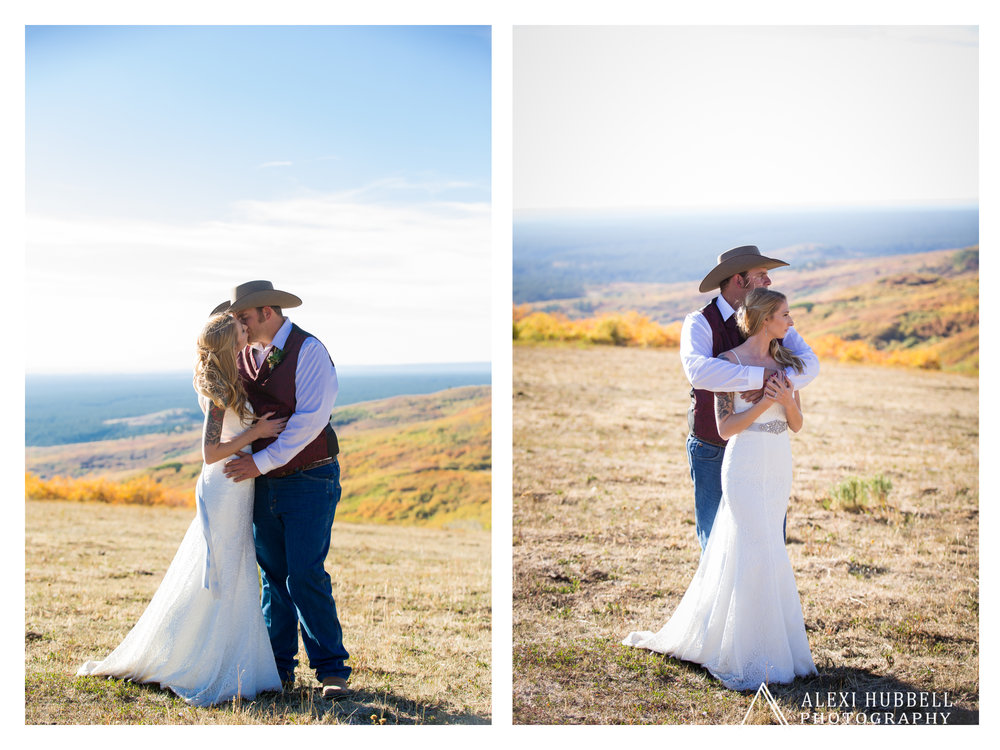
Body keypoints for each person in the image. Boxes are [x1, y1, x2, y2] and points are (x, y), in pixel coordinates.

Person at [77, 314, 286, 705]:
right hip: (224, 485)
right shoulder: (220, 389)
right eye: (240, 328)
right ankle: (204, 662)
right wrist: (256, 433)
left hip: (239, 485)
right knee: (223, 569)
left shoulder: (233, 378)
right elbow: (209, 453)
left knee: (237, 567)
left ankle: (237, 661)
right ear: (229, 339)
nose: (246, 328)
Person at [623, 288, 818, 690]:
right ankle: (741, 650)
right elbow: (727, 429)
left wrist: (787, 400)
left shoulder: (788, 363)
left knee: (772, 547)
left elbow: (797, 424)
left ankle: (777, 645)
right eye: (785, 314)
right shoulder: (727, 364)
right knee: (749, 546)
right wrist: (766, 402)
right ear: (766, 320)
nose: (792, 321)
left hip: (778, 463)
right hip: (743, 463)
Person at [212, 280, 351, 701]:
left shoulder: (309, 351)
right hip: (261, 486)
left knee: (305, 573)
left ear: (267, 312)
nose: (240, 326)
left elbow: (309, 422)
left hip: (310, 477)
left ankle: (331, 671)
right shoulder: (243, 355)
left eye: (244, 318)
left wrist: (257, 461)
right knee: (273, 577)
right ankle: (278, 669)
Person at [681, 245, 818, 551]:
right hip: (712, 447)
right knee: (717, 543)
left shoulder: (775, 322)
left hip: (765, 454)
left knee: (768, 542)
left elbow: (810, 364)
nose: (769, 282)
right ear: (739, 281)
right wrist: (764, 381)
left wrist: (777, 386)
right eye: (762, 275)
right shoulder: (700, 322)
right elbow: (699, 373)